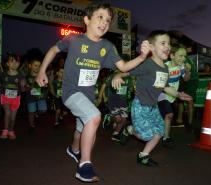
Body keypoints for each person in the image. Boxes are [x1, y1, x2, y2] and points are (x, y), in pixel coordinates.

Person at [36, 3, 150, 182]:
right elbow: (53, 50)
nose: (105, 22)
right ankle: (84, 165)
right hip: (71, 92)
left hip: (88, 96)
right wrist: (42, 71)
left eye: (108, 20)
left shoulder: (108, 47)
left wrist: (142, 57)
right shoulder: (74, 39)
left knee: (83, 129)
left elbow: (124, 66)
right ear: (87, 20)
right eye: (100, 17)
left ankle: (73, 149)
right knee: (94, 117)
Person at [112, 30, 192, 167]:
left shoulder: (165, 69)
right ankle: (129, 130)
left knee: (160, 131)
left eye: (168, 44)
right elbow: (128, 72)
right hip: (140, 105)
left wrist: (178, 94)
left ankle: (143, 155)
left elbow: (165, 87)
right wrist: (117, 76)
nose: (167, 47)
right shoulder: (148, 64)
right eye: (163, 43)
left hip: (153, 106)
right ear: (152, 47)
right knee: (146, 135)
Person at [157, 44, 191, 148]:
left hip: (172, 95)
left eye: (184, 56)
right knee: (169, 114)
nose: (183, 58)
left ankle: (164, 136)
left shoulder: (181, 67)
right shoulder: (165, 67)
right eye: (180, 56)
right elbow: (160, 85)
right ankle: (166, 137)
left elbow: (186, 79)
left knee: (162, 117)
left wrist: (187, 70)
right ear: (172, 56)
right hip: (161, 94)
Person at [0, 52, 25, 139]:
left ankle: (11, 130)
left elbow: (23, 87)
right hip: (5, 97)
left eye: (17, 62)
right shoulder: (3, 74)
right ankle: (5, 130)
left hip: (16, 98)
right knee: (8, 113)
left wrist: (23, 85)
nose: (15, 63)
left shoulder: (20, 75)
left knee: (13, 118)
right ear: (7, 63)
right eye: (12, 61)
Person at [97, 69, 134, 142]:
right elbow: (104, 85)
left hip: (123, 102)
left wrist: (131, 88)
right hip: (113, 101)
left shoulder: (129, 78)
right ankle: (110, 117)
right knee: (118, 119)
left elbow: (131, 89)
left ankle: (115, 133)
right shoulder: (113, 76)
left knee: (124, 119)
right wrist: (100, 97)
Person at [25, 50, 48, 132]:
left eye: (39, 66)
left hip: (40, 97)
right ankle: (31, 125)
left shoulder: (42, 75)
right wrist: (29, 86)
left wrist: (44, 88)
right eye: (35, 65)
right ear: (30, 66)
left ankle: (36, 113)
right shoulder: (27, 76)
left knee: (43, 111)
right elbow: (25, 88)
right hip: (30, 98)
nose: (37, 67)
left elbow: (46, 86)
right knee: (31, 112)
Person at [176, 56, 199, 131]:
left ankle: (190, 122)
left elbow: (187, 74)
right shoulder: (185, 58)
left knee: (190, 100)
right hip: (185, 80)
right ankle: (180, 119)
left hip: (192, 80)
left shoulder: (184, 59)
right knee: (180, 100)